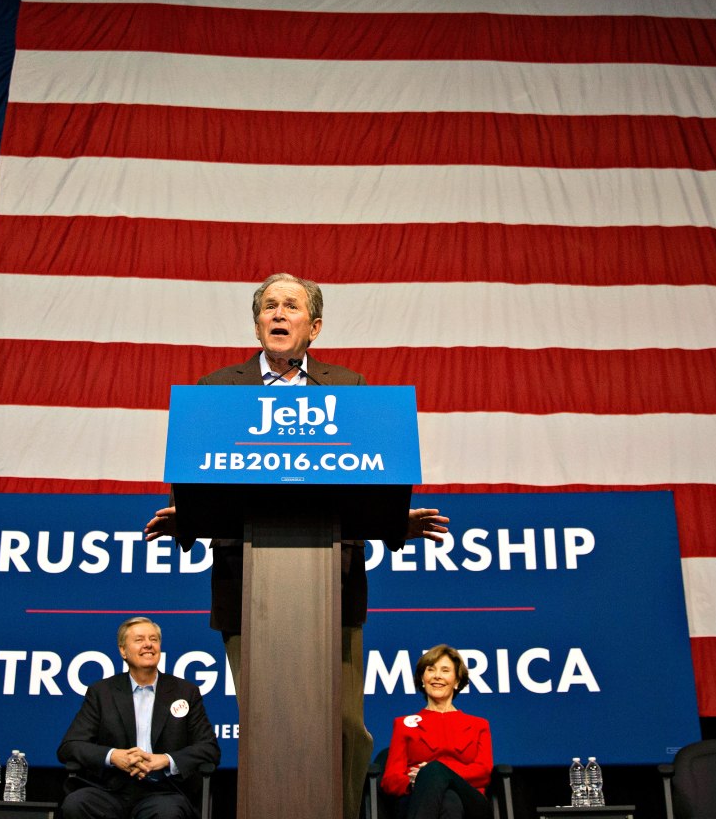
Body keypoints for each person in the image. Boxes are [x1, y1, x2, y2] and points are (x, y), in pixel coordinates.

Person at [144, 272, 449, 819]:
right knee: (269, 724)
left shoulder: (348, 387)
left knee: (345, 727)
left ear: (315, 327)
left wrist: (389, 521)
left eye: (291, 305)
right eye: (269, 306)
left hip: (334, 587)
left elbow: (369, 478)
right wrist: (187, 518)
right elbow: (196, 478)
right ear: (257, 323)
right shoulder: (218, 389)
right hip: (246, 586)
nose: (279, 313)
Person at [58, 616, 220, 819]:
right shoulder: (102, 692)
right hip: (110, 789)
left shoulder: (185, 691)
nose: (148, 645)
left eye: (153, 639)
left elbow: (209, 749)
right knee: (77, 804)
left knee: (168, 813)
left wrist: (165, 760)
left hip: (163, 791)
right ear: (123, 651)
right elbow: (70, 746)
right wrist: (114, 756)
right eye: (139, 639)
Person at [380, 645, 493, 819]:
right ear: (422, 679)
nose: (437, 676)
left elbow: (483, 772)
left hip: (471, 801)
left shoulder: (479, 725)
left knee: (434, 771)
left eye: (445, 670)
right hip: (417, 797)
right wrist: (421, 781)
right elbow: (390, 780)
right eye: (430, 670)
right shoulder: (403, 724)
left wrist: (433, 772)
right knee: (449, 801)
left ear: (457, 681)